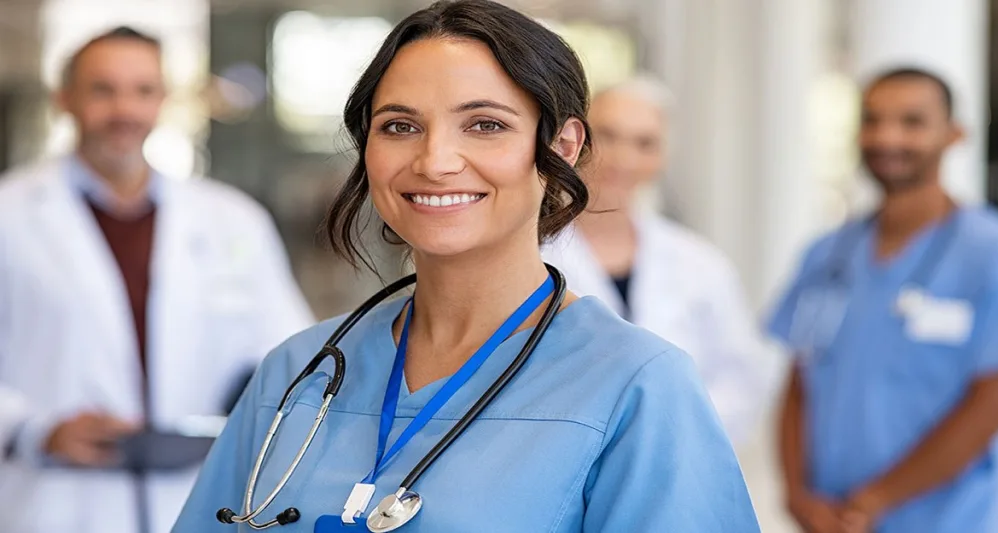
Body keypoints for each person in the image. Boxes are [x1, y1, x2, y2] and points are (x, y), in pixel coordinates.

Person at [172, 1, 760, 531]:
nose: (435, 161)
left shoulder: (639, 387)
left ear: (562, 146)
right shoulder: (299, 374)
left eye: (486, 125)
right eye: (400, 126)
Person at [0, 27, 314, 533]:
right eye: (103, 89)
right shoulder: (10, 215)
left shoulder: (232, 220)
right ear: (65, 100)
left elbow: (290, 353)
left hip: (199, 497)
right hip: (54, 503)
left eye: (143, 90)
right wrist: (30, 431)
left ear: (163, 101)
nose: (124, 110)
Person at [768, 67, 998, 533]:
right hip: (831, 521)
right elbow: (799, 385)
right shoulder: (827, 255)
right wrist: (797, 495)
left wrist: (873, 502)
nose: (887, 137)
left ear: (954, 135)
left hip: (950, 521)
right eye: (872, 120)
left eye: (912, 122)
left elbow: (992, 407)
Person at [542, 75, 771, 446]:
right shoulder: (532, 254)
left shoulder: (700, 263)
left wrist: (675, 435)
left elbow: (740, 377)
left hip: (679, 456)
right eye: (608, 135)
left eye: (644, 143)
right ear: (575, 140)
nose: (624, 158)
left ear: (662, 156)